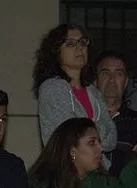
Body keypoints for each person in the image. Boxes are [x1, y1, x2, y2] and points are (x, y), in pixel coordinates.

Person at [33, 24, 117, 169]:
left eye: (83, 42)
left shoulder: (93, 91)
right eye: (70, 43)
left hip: (97, 172)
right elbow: (70, 137)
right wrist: (98, 127)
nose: (79, 48)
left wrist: (89, 131)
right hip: (65, 172)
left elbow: (112, 140)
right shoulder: (52, 88)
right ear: (56, 51)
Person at [94, 51, 137, 176]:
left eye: (118, 74)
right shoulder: (85, 118)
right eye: (105, 73)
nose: (112, 79)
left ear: (126, 82)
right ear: (95, 81)